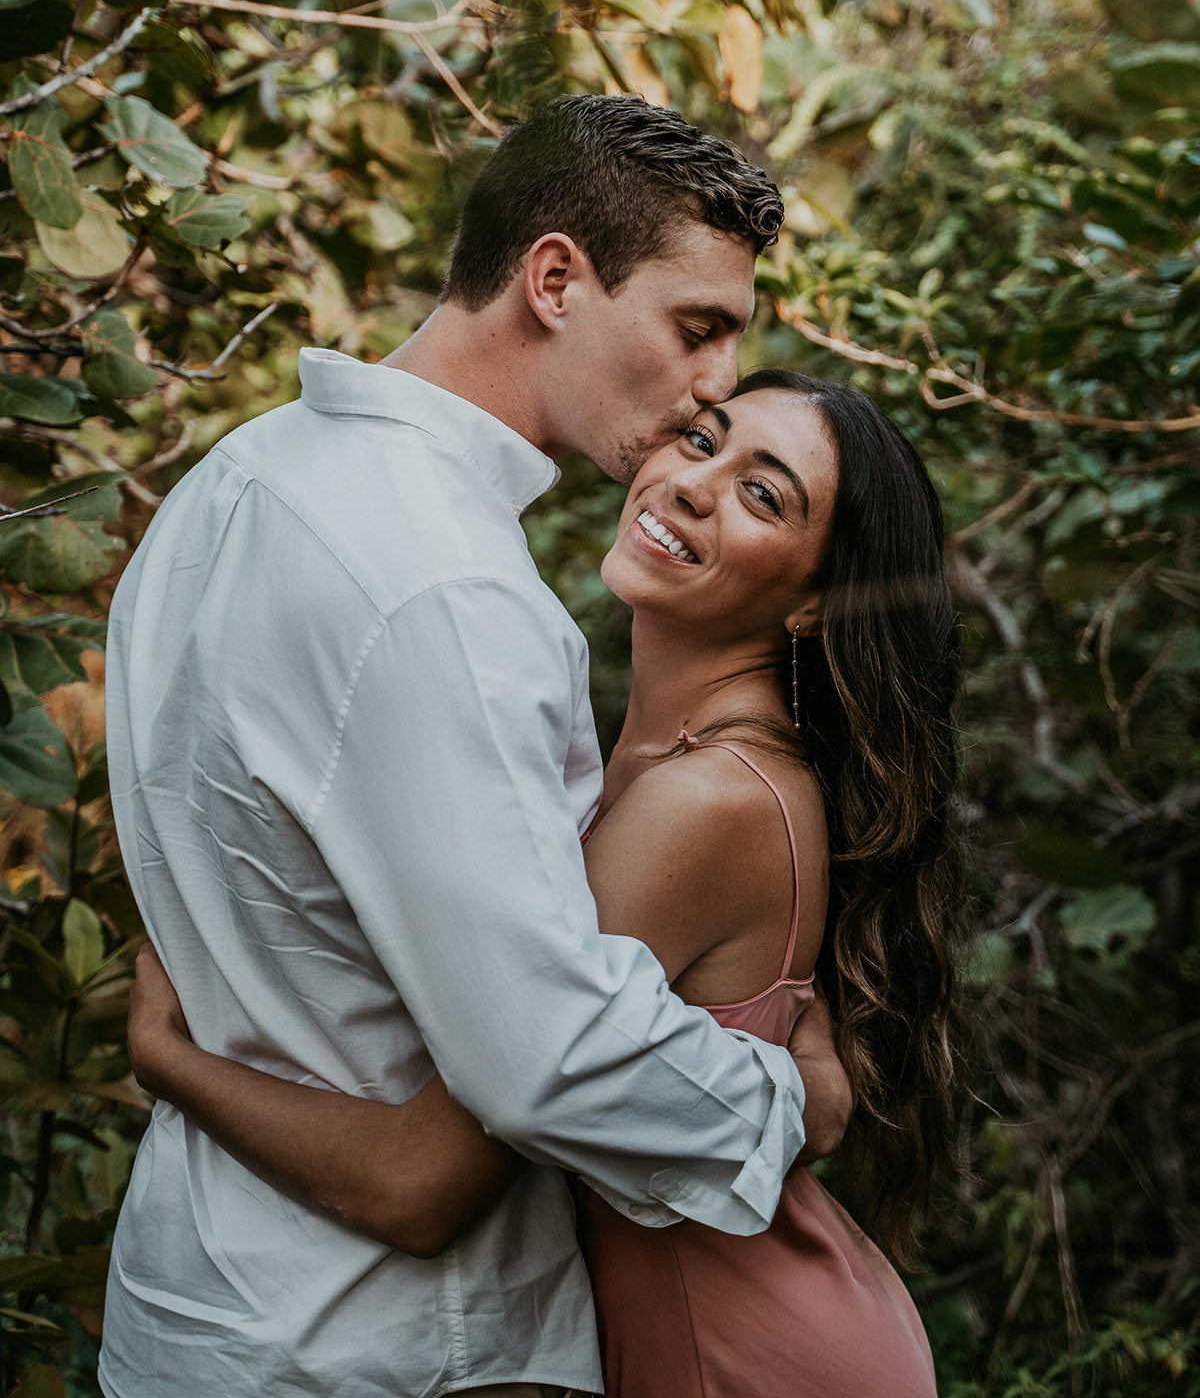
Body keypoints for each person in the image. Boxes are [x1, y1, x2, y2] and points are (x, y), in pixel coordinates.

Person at [100, 97, 854, 1398]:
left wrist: (165, 1049)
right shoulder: (454, 594)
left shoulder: (227, 483)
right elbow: (540, 1053)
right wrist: (784, 1098)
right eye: (697, 329)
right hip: (386, 1348)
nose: (717, 382)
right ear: (555, 279)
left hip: (194, 1301)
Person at [128, 368, 964, 1398]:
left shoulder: (708, 801)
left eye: (764, 493)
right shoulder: (656, 762)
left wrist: (169, 1056)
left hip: (741, 1351)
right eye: (702, 440)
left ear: (815, 604)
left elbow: (421, 1184)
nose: (695, 484)